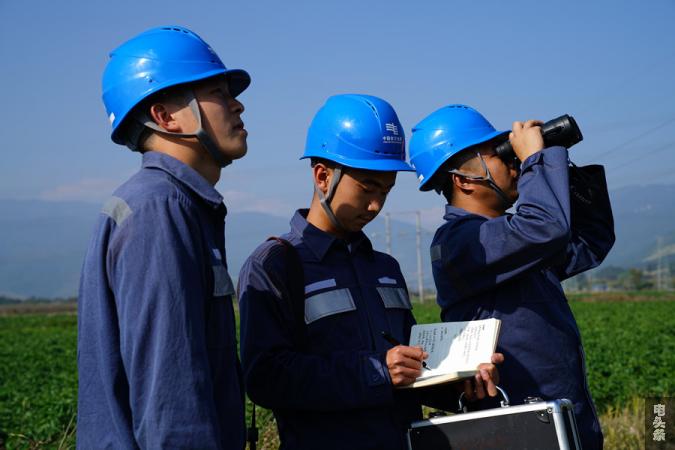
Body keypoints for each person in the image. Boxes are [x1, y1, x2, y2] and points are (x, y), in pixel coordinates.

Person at [237, 95, 503, 450]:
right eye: (366, 188)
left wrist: (462, 385)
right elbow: (265, 377)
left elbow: (411, 372)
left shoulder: (385, 268)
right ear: (322, 176)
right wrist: (376, 371)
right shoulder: (275, 264)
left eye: (386, 191)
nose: (376, 205)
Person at [77, 26, 250, 449]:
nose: (237, 104)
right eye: (218, 92)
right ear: (166, 116)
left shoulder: (173, 204)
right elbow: (172, 403)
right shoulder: (161, 210)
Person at [409, 104, 615, 449]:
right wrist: (536, 162)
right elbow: (545, 227)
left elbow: (589, 243)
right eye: (500, 155)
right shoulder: (461, 242)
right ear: (463, 179)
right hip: (519, 428)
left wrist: (555, 163)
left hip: (563, 419)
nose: (514, 164)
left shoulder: (510, 242)